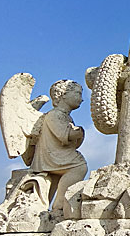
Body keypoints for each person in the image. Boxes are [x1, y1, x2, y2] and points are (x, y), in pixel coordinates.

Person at [31, 79, 88, 210]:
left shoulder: (65, 116)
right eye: (78, 93)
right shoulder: (54, 115)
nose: (82, 99)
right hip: (52, 157)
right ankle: (60, 204)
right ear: (63, 95)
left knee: (56, 182)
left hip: (58, 154)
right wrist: (79, 132)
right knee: (79, 167)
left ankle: (57, 204)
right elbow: (64, 134)